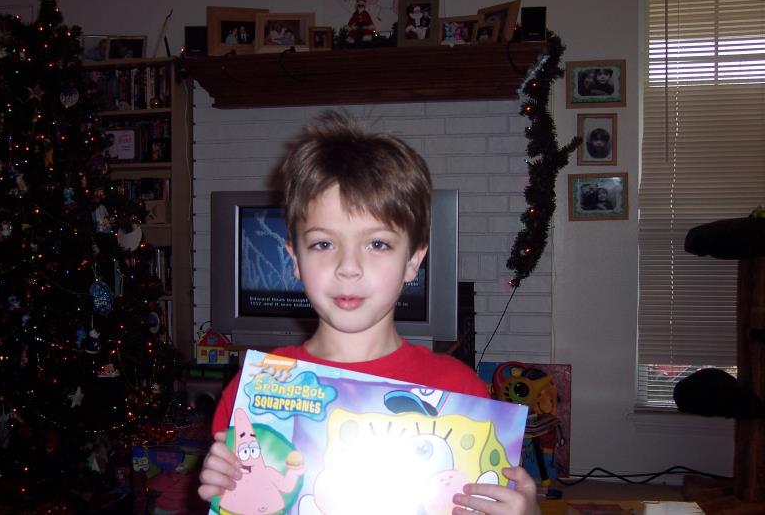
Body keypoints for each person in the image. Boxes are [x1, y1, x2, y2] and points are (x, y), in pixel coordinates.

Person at [198, 111, 540, 515]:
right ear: (294, 259)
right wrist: (226, 491)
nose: (349, 267)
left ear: (413, 261)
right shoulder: (254, 392)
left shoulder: (460, 391)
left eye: (377, 244)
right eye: (323, 244)